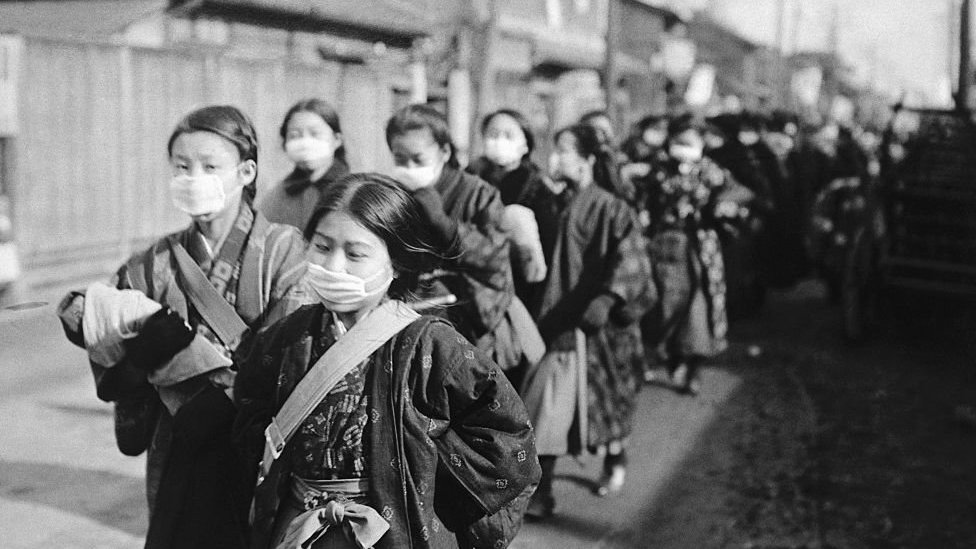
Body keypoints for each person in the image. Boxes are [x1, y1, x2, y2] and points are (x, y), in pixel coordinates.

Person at [233, 173, 540, 549]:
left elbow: (508, 442)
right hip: (298, 528)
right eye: (322, 246)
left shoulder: (432, 346)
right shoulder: (286, 337)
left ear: (396, 262)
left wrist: (429, 487)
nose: (334, 265)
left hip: (393, 532)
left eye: (355, 254)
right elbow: (249, 418)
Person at [56, 105, 309, 548]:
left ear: (246, 172)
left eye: (210, 167)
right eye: (181, 167)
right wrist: (135, 349)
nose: (194, 178)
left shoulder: (284, 249)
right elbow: (92, 319)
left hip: (257, 441)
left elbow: (295, 349)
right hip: (178, 439)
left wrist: (207, 371)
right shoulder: (153, 262)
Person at [519, 124, 654, 518]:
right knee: (545, 407)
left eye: (564, 150)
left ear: (588, 159)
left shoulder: (612, 207)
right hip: (552, 317)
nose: (555, 158)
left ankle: (615, 458)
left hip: (597, 328)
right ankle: (542, 491)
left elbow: (633, 259)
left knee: (605, 405)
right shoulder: (548, 200)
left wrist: (608, 299)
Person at [385, 105, 541, 379]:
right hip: (409, 318)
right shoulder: (394, 194)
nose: (409, 168)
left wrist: (444, 224)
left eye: (418, 159)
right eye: (400, 159)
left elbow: (494, 258)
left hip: (469, 324)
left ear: (444, 152)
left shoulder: (479, 194)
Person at [645, 114, 751, 395]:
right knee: (666, 305)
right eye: (679, 141)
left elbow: (742, 193)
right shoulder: (658, 171)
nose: (684, 148)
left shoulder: (712, 172)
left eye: (690, 142)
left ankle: (693, 366)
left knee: (697, 306)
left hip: (700, 248)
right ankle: (673, 358)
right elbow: (644, 203)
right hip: (664, 246)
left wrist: (722, 206)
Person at [466, 109, 549, 306]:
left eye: (508, 135)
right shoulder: (470, 178)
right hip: (472, 278)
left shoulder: (537, 187)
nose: (499, 141)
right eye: (493, 134)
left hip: (519, 286)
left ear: (525, 144)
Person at [258, 98, 350, 230]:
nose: (305, 143)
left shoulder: (350, 190)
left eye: (315, 134)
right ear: (285, 144)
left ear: (336, 139)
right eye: (295, 135)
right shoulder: (277, 195)